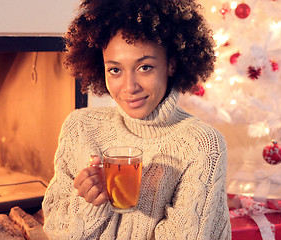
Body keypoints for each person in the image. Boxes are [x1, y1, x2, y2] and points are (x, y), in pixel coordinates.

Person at [42, 0, 231, 239]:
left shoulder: (201, 145)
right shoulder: (80, 127)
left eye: (145, 67)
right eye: (115, 70)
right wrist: (92, 205)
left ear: (171, 65)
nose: (129, 87)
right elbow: (56, 230)